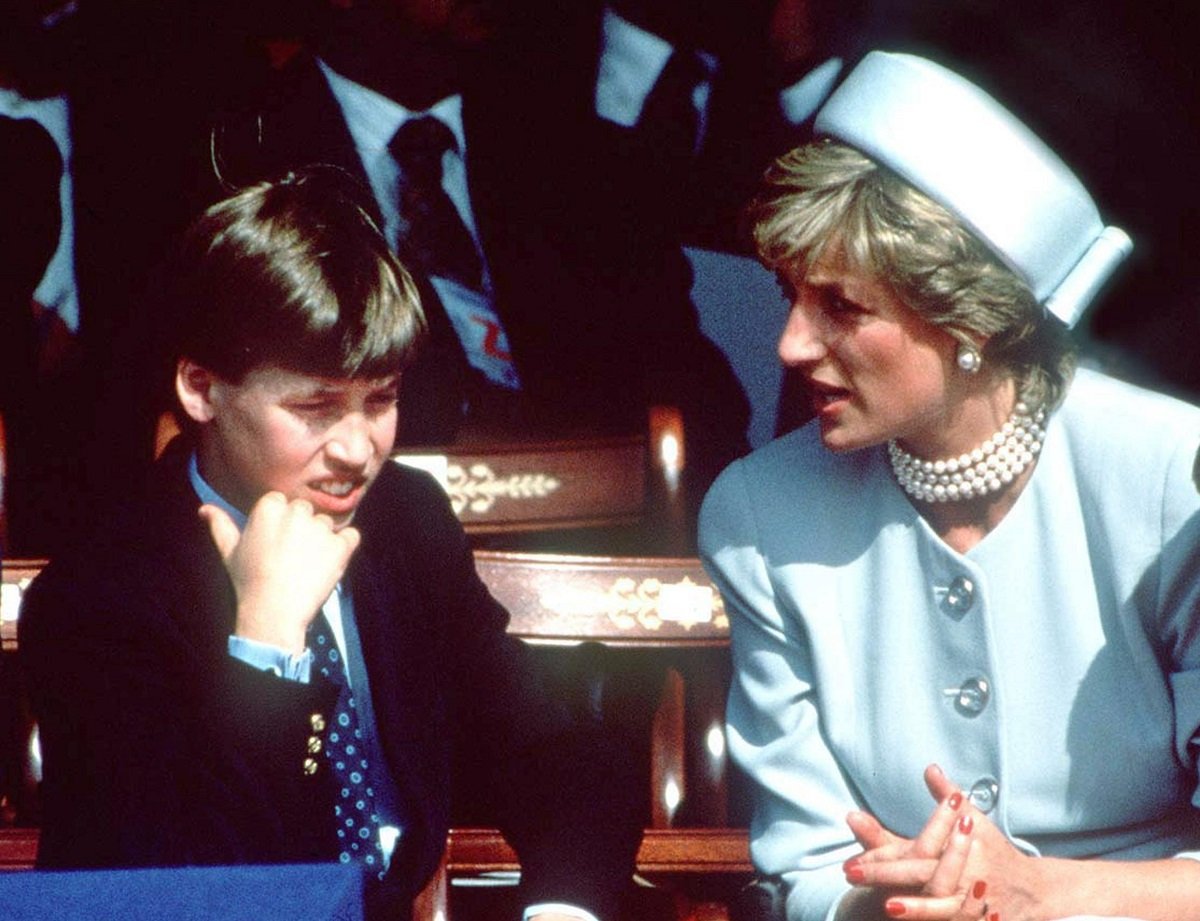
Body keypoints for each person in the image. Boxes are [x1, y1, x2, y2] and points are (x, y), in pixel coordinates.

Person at [19, 168, 641, 921]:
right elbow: (188, 889)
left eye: (380, 399)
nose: (358, 448)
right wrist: (268, 644)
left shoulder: (404, 523)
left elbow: (555, 750)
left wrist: (561, 913)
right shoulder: (99, 596)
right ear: (200, 388)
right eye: (315, 406)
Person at [699, 51, 1200, 921]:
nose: (789, 345)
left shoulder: (1171, 478)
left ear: (969, 316)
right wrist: (915, 905)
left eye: (843, 307)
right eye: (788, 295)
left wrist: (1046, 895)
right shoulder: (757, 517)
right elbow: (804, 860)